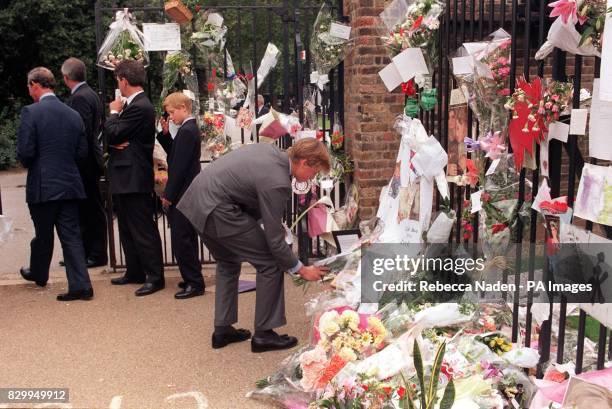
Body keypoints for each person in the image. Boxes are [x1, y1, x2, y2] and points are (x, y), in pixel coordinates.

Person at [177, 138, 331, 353]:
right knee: (270, 262)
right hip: (219, 209)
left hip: (198, 201)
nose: (312, 179)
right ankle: (264, 334)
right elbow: (274, 241)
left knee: (228, 262)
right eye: (314, 173)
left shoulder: (270, 152)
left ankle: (222, 329)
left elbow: (248, 192)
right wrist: (301, 269)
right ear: (305, 162)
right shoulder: (277, 180)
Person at [17, 67, 94, 301]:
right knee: (71, 235)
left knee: (43, 234)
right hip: (70, 184)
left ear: (35, 85)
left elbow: (26, 153)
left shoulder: (31, 112)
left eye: (29, 87)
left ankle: (39, 273)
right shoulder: (72, 114)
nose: (29, 91)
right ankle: (81, 285)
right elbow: (82, 153)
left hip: (43, 185)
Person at [103, 60, 164, 297]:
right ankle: (134, 270)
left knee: (142, 228)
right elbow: (113, 137)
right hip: (124, 174)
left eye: (117, 79)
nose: (117, 84)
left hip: (134, 175)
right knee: (127, 227)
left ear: (124, 81)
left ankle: (154, 276)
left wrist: (114, 113)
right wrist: (115, 136)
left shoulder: (140, 106)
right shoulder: (134, 105)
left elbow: (113, 132)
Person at [61, 57, 107, 268]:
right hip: (91, 157)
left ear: (66, 77)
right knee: (89, 207)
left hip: (86, 160)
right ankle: (88, 251)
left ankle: (95, 253)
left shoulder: (79, 97)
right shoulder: (91, 94)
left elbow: (81, 131)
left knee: (89, 209)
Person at [157, 93, 204, 299]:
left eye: (173, 112)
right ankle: (191, 276)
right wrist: (166, 135)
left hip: (183, 192)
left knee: (181, 238)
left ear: (184, 108)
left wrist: (169, 194)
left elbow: (178, 167)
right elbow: (175, 155)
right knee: (185, 237)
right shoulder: (187, 129)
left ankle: (194, 281)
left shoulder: (187, 130)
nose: (171, 117)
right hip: (186, 190)